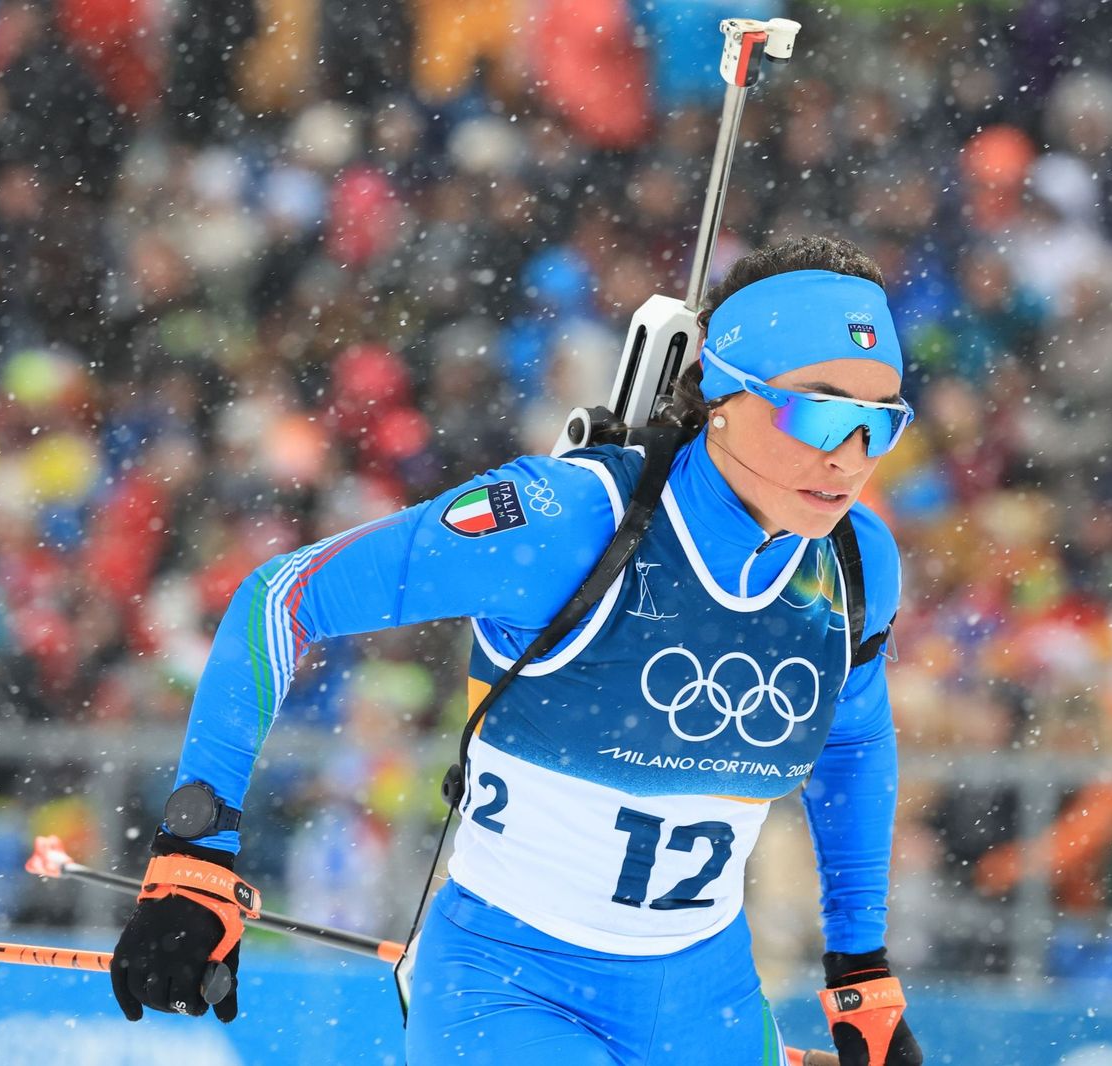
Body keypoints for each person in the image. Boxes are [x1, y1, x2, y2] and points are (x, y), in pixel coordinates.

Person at [109, 234, 925, 1066]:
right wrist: (194, 853)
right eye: (821, 413)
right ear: (723, 391)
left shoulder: (855, 563)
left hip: (707, 1002)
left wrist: (860, 970)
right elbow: (283, 597)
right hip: (507, 989)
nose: (850, 457)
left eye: (880, 424)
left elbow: (853, 742)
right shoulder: (567, 519)